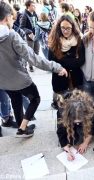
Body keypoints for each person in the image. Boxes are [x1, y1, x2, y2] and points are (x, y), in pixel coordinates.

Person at [0, 1, 68, 137]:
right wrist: (56, 67)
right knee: (35, 98)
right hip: (20, 80)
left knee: (16, 101)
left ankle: (22, 128)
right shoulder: (12, 36)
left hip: (4, 81)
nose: (13, 20)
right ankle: (22, 127)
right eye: (12, 18)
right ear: (7, 18)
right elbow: (33, 58)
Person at [48, 15, 85, 94]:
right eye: (63, 28)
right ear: (59, 27)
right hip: (60, 77)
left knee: (77, 102)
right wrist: (72, 61)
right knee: (61, 102)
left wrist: (61, 60)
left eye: (68, 28)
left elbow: (81, 60)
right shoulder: (54, 40)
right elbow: (51, 60)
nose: (65, 31)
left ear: (73, 27)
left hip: (76, 78)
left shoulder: (78, 39)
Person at [56, 90, 94, 160]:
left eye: (79, 121)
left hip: (82, 116)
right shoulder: (63, 113)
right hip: (67, 116)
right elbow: (60, 133)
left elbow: (92, 129)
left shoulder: (90, 110)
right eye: (75, 121)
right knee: (70, 138)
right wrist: (67, 150)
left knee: (80, 133)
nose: (77, 123)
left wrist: (85, 143)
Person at [20, 0, 39, 72]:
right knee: (30, 52)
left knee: (36, 51)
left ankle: (34, 64)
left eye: (34, 5)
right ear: (28, 6)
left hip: (36, 35)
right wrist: (29, 32)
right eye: (32, 6)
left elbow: (37, 23)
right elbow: (22, 27)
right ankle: (30, 66)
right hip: (29, 37)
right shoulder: (24, 14)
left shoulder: (34, 13)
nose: (34, 7)